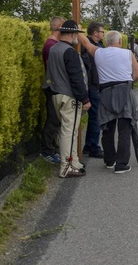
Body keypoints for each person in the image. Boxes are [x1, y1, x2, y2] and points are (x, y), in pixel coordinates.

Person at [79, 30, 138, 174]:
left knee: (107, 128)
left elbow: (85, 42)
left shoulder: (99, 52)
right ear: (120, 41)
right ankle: (121, 164)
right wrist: (129, 83)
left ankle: (109, 160)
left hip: (105, 92)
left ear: (106, 42)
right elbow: (137, 75)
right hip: (124, 91)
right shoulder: (128, 53)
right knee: (125, 129)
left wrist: (78, 29)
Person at [42, 20, 91, 178]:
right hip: (69, 96)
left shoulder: (54, 48)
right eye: (76, 34)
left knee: (69, 130)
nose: (77, 37)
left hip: (56, 93)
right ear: (72, 34)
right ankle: (66, 166)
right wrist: (84, 99)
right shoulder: (69, 52)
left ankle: (74, 162)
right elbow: (76, 78)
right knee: (69, 132)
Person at [40, 16, 64, 164]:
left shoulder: (54, 44)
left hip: (56, 86)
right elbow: (52, 67)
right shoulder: (50, 46)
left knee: (56, 120)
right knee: (53, 120)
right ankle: (47, 151)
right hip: (53, 87)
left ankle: (52, 149)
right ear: (59, 27)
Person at [80, 21, 105, 159]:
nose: (103, 34)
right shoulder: (89, 47)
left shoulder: (98, 45)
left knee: (94, 117)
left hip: (96, 84)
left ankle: (89, 145)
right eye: (102, 32)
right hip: (93, 85)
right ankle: (94, 147)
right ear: (95, 33)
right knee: (96, 117)